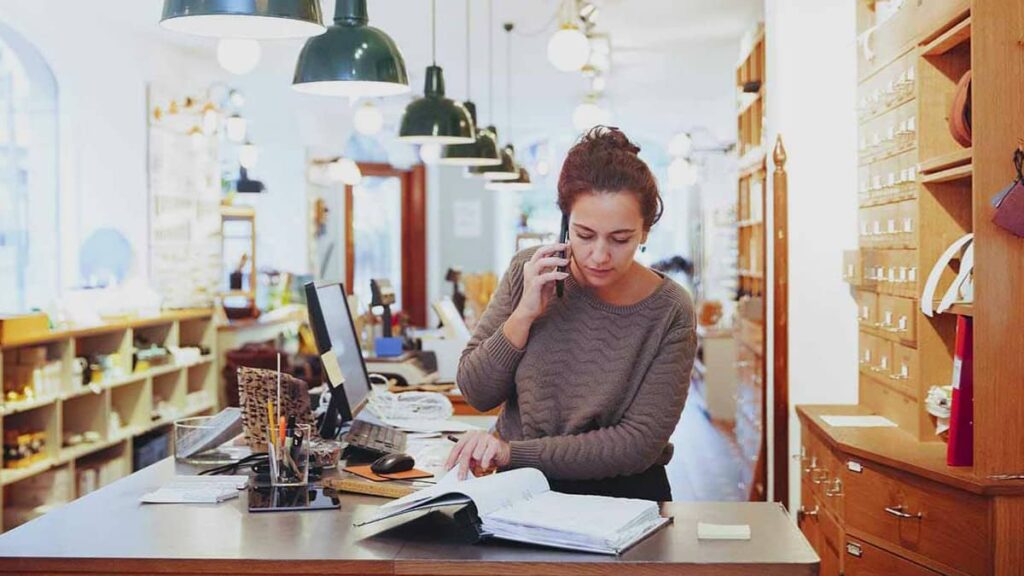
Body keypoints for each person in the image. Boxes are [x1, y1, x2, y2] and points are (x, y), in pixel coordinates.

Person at [447, 126, 697, 501]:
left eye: (620, 239)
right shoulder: (527, 271)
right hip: (520, 492)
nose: (599, 255)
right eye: (584, 234)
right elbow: (476, 391)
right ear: (565, 223)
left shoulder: (670, 309)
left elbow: (637, 443)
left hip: (623, 500)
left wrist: (511, 452)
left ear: (645, 232)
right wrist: (524, 314)